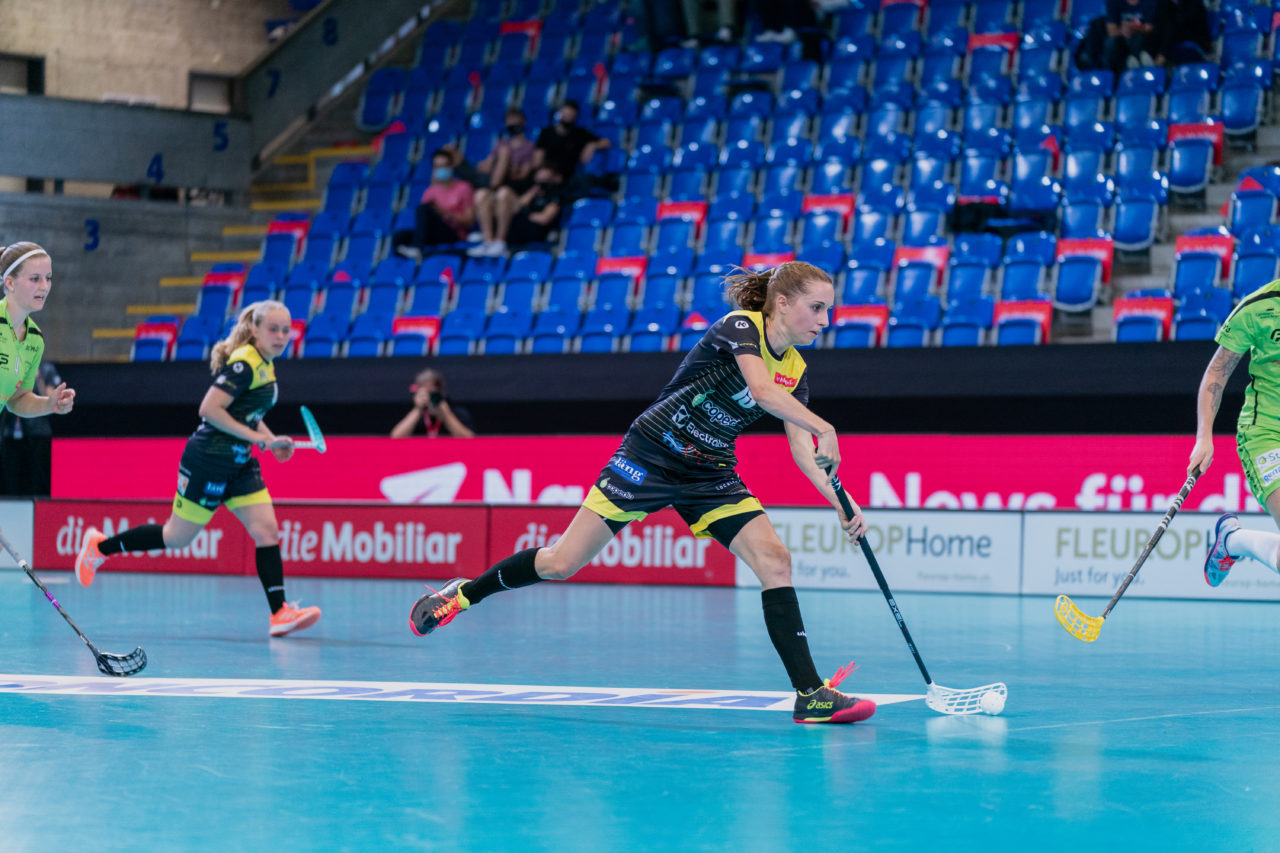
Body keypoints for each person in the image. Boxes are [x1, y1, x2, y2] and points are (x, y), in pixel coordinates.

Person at [408, 261, 877, 725]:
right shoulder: (740, 327)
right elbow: (759, 388)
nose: (824, 321)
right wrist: (826, 425)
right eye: (816, 308)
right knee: (560, 563)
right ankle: (464, 594)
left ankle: (810, 695)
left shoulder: (794, 369)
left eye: (828, 311)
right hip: (649, 455)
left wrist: (842, 501)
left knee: (776, 560)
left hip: (708, 472)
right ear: (782, 303)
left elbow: (802, 450)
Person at [74, 301, 322, 638]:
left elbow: (246, 412)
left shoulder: (266, 364)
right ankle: (99, 547)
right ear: (255, 330)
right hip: (208, 459)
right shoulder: (243, 365)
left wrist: (270, 439)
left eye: (285, 330)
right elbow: (209, 409)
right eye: (273, 329)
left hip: (239, 464)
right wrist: (257, 438)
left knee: (268, 531)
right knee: (176, 537)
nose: (280, 336)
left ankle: (279, 613)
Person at [1191, 279, 1280, 588]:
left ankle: (1232, 540)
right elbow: (1217, 372)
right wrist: (1205, 436)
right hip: (1266, 433)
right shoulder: (1258, 307)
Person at [0, 244, 76, 478]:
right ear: (10, 283)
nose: (44, 286)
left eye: (48, 278)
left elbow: (17, 399)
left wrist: (48, 404)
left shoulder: (35, 340)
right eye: (34, 279)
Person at [469, 164, 565, 256]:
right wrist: (531, 193)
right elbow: (520, 205)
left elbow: (544, 219)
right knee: (482, 194)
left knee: (504, 192)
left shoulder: (554, 196)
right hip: (515, 225)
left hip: (533, 231)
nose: (540, 185)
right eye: (538, 181)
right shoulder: (529, 192)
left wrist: (526, 214)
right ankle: (488, 241)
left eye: (545, 182)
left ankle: (500, 242)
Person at [0, 361, 62, 495]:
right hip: (10, 434)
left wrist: (37, 378)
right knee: (10, 482)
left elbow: (50, 400)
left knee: (37, 481)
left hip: (36, 435)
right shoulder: (8, 364)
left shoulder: (46, 368)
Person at [400, 148, 475, 256]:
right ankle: (409, 267)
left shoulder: (464, 187)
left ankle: (417, 248)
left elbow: (469, 221)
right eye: (437, 166)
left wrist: (445, 213)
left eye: (444, 165)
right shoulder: (431, 191)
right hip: (434, 233)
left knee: (423, 209)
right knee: (399, 238)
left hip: (454, 232)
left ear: (451, 166)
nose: (441, 169)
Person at [533, 101, 610, 198]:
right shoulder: (546, 133)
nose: (568, 117)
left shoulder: (579, 134)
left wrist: (592, 145)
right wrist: (547, 173)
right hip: (548, 172)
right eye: (566, 114)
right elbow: (538, 159)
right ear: (560, 113)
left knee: (584, 181)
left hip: (569, 176)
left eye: (571, 115)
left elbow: (606, 142)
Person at [391, 368, 475, 438]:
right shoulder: (412, 414)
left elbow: (469, 438)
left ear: (440, 391)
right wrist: (418, 410)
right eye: (425, 392)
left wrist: (446, 415)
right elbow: (396, 437)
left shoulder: (457, 412)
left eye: (432, 393)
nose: (428, 397)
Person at [1102, 0, 1168, 73]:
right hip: (1122, 39)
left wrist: (1132, 28)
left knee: (1139, 39)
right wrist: (1124, 30)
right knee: (1111, 43)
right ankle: (1112, 76)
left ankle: (1142, 68)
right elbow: (1111, 31)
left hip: (1142, 39)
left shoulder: (1150, 2)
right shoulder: (1113, 2)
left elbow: (1149, 28)